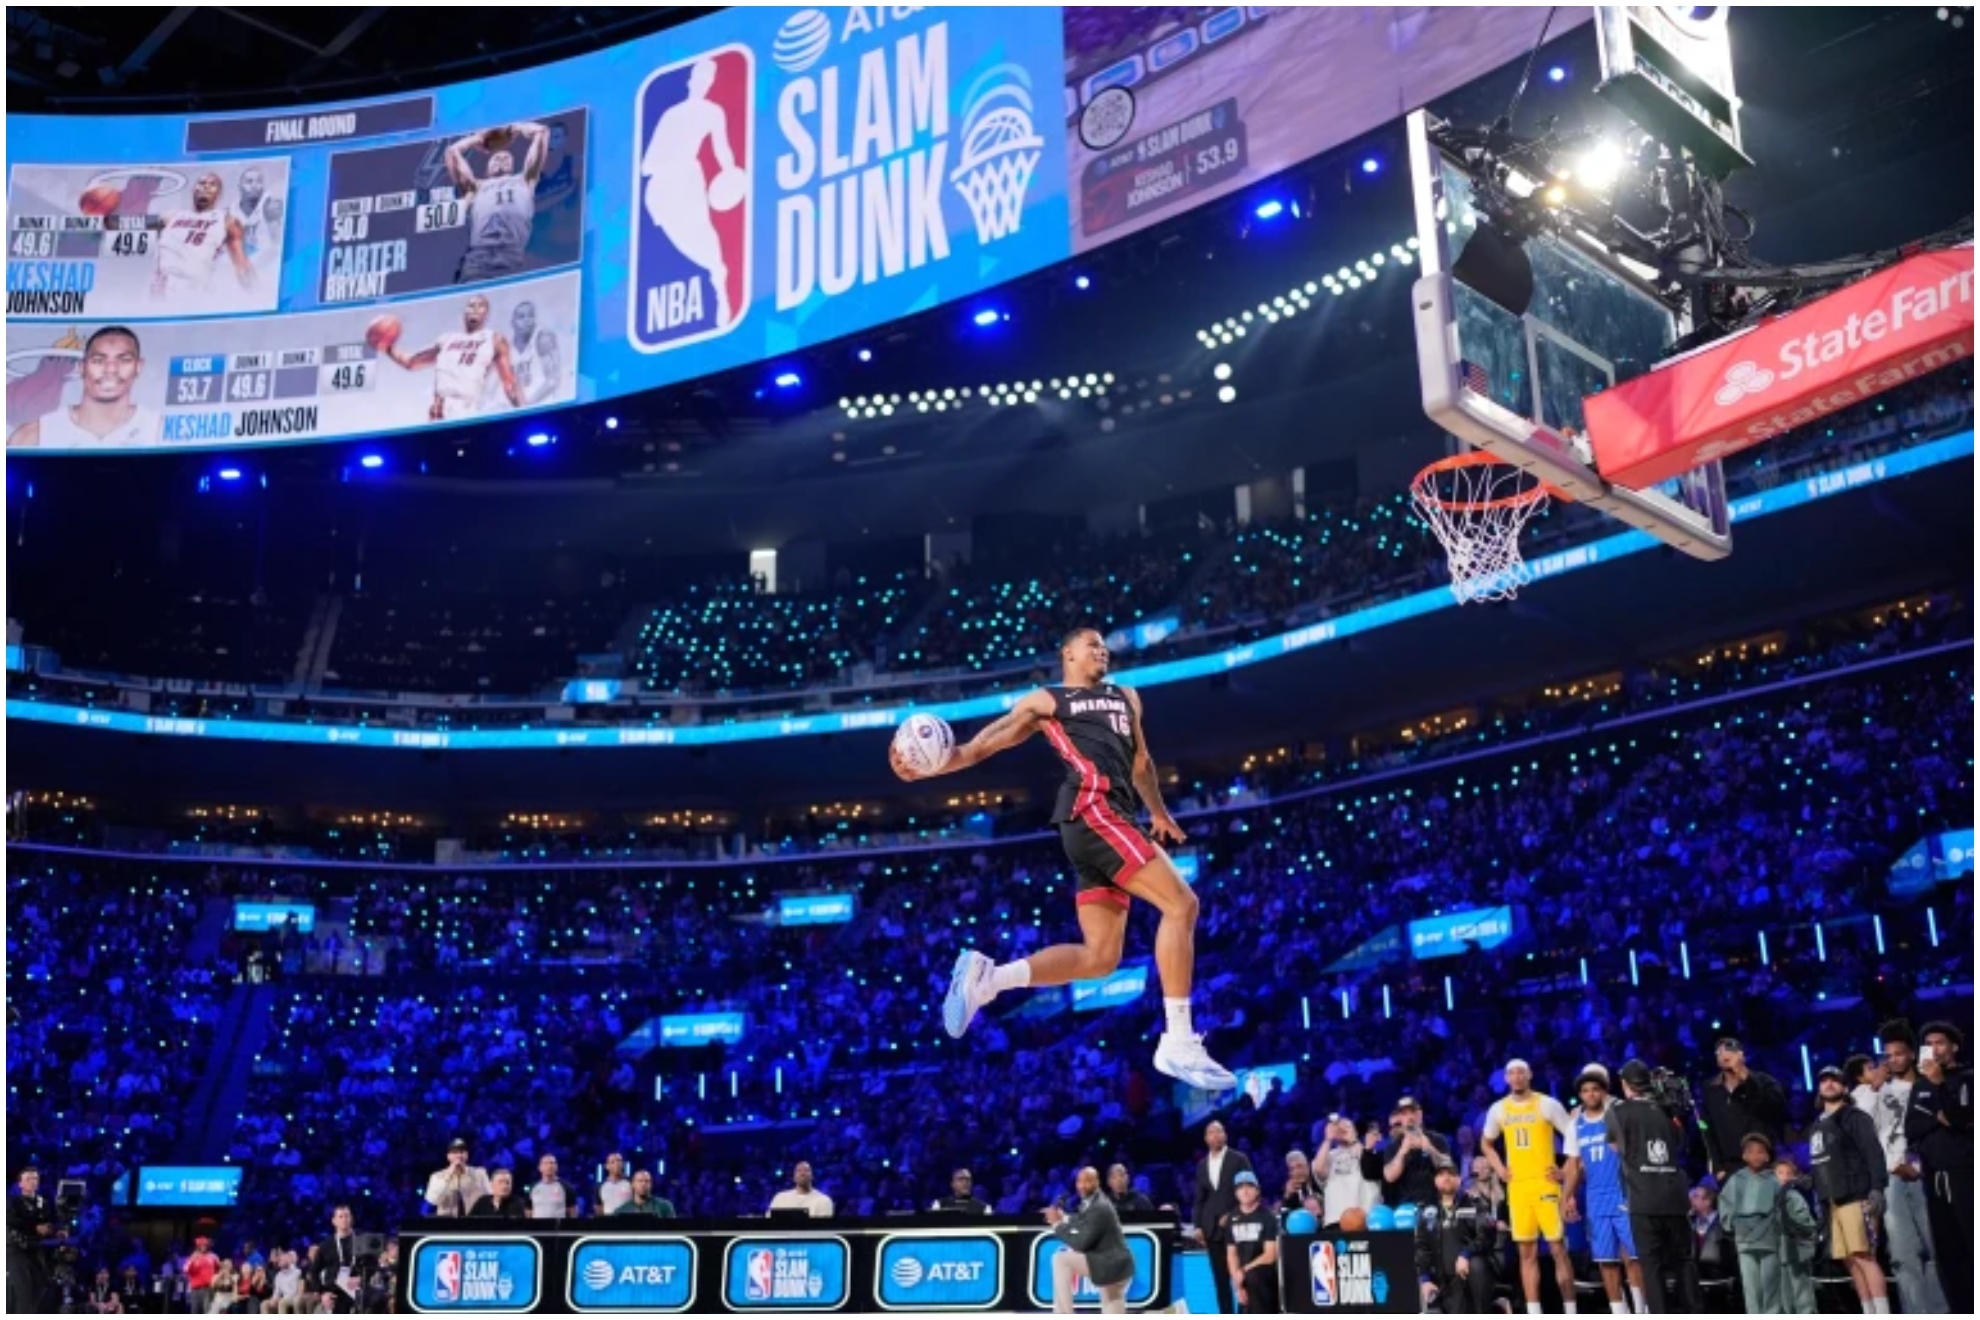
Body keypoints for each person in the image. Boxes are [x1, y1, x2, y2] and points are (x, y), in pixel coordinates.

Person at [911, 627, 1235, 1091]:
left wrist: (1159, 812)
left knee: (1102, 958)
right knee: (1182, 906)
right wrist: (934, 763)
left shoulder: (1127, 697)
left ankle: (989, 980)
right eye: (1091, 644)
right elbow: (982, 745)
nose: (1101, 648)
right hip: (1093, 812)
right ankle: (1178, 1039)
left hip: (1114, 819)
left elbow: (1141, 764)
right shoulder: (1047, 700)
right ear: (1067, 654)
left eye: (1104, 644)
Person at [639, 58, 742, 327]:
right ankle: (713, 272)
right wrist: (666, 162)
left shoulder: (713, 112)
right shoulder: (671, 115)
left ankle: (720, 287)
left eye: (709, 78)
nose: (704, 83)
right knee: (680, 239)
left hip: (689, 179)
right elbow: (647, 164)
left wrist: (730, 172)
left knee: (705, 231)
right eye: (700, 77)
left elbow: (722, 148)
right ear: (690, 81)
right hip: (663, 186)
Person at [1855, 1039, 1946, 1315]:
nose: (1892, 1059)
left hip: (1925, 1175)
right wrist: (1874, 1088)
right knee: (1903, 1256)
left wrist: (1918, 1166)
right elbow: (1860, 1128)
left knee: (1936, 1251)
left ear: (1911, 1055)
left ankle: (1939, 1311)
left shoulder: (1927, 1084)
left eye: (1899, 1054)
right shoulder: (1869, 1090)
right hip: (1890, 1179)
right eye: (1888, 1055)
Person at [1481, 1059, 1579, 1316]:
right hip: (1519, 1188)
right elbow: (1486, 1144)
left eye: (1521, 1072)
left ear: (1529, 1075)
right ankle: (1534, 1312)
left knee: (1558, 1249)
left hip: (1546, 1184)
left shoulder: (1547, 1104)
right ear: (1505, 1078)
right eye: (1511, 1073)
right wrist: (1500, 1169)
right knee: (1527, 1253)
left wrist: (1566, 1169)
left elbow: (1573, 1135)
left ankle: (1571, 1310)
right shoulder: (1498, 1109)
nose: (1516, 1077)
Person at [1607, 1060, 1703, 1313]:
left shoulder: (1618, 1111)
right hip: (1675, 1199)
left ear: (1625, 1084)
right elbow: (1681, 1144)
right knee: (1684, 1263)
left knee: (1652, 1267)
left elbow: (1615, 1147)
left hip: (1644, 1199)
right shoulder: (1668, 1110)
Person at [1810, 1064, 1890, 1315]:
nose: (1829, 1084)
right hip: (1832, 1200)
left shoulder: (1855, 1117)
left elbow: (1874, 1154)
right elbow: (1820, 1163)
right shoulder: (1817, 1125)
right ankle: (1868, 1312)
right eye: (1824, 1080)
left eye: (1835, 1080)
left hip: (1857, 1196)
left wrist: (1877, 1188)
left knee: (1865, 1257)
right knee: (1851, 1262)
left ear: (1845, 1087)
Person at [1904, 1020, 1972, 1314]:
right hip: (1932, 1175)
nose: (1933, 1048)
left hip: (1966, 1172)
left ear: (1953, 1046)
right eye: (1928, 1044)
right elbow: (1912, 1128)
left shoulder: (1968, 1077)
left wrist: (1941, 1088)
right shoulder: (1920, 1085)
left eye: (1939, 1043)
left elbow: (1961, 1119)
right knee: (1946, 1250)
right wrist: (1938, 1117)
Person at [7, 325, 164, 449]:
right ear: (82, 367)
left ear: (139, 366)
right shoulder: (36, 435)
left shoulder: (157, 429)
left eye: (124, 360)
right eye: (98, 360)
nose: (110, 369)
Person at [1571, 1066, 1648, 1315]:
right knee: (1606, 1261)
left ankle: (1642, 1309)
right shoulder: (1577, 1123)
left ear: (1605, 1089)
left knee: (1635, 1258)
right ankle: (1619, 1312)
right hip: (1595, 1200)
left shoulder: (1619, 1111)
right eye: (1585, 1090)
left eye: (1596, 1088)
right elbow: (1574, 1165)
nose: (1591, 1094)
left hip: (1624, 1194)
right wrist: (1566, 1196)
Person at [383, 293, 524, 420]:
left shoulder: (494, 339)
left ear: (486, 314)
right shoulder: (447, 339)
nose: (475, 308)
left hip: (465, 407)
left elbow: (509, 382)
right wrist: (387, 348)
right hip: (439, 408)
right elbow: (411, 362)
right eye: (471, 305)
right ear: (464, 313)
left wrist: (523, 411)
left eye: (480, 306)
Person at [445, 121, 551, 283]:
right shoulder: (475, 187)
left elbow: (541, 132)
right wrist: (478, 138)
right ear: (486, 169)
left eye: (507, 157)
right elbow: (452, 152)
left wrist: (513, 129)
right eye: (496, 158)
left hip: (512, 258)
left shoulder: (525, 180)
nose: (501, 158)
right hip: (479, 260)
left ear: (514, 165)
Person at [149, 170, 255, 300]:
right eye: (202, 183)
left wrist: (257, 295)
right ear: (193, 189)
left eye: (212, 184)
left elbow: (242, 264)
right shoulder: (171, 216)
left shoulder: (227, 221)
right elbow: (128, 223)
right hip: (162, 288)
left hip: (194, 290)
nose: (206, 186)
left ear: (218, 193)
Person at [1045, 1166, 1134, 1314]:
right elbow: (1082, 1219)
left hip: (1111, 1266)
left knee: (1060, 1260)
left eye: (1087, 1181)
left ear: (1097, 1182)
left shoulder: (1099, 1206)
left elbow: (1081, 1244)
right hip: (1116, 1267)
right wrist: (1064, 1217)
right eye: (1079, 1181)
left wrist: (1057, 1225)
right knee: (1113, 1306)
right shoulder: (1092, 1201)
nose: (1082, 1185)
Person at [1702, 1038, 1788, 1185]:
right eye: (1720, 1051)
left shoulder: (1764, 1081)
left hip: (1763, 1163)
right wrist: (1717, 1167)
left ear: (1742, 1055)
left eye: (1730, 1049)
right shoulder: (1711, 1089)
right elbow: (1707, 1129)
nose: (1724, 1053)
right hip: (1729, 1169)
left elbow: (1773, 1109)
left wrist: (1747, 1080)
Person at [1418, 1158, 1497, 1314]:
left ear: (1459, 1179)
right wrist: (1425, 1280)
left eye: (1451, 1174)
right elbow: (1422, 1247)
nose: (1446, 1177)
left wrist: (1466, 1254)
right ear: (1435, 1180)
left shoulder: (1475, 1204)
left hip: (1470, 1277)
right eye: (1441, 1174)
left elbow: (1487, 1235)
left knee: (1477, 1264)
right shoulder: (1427, 1211)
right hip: (1444, 1280)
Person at [1192, 1120, 1255, 1316]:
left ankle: (1245, 1313)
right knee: (1220, 1280)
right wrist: (1198, 1225)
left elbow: (1250, 1190)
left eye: (1219, 1131)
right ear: (1206, 1138)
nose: (1216, 1135)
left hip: (1238, 1228)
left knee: (1243, 1275)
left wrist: (1234, 1214)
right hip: (1212, 1230)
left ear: (1225, 1135)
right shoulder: (1202, 1165)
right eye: (1211, 1132)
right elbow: (1200, 1198)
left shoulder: (1238, 1159)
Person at [1719, 1134, 1787, 1315]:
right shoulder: (1736, 1180)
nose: (1755, 1156)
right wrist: (1732, 1223)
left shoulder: (1774, 1181)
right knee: (1751, 1286)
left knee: (1770, 1284)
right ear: (1744, 1156)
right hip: (1745, 1240)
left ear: (1767, 1156)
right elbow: (1725, 1203)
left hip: (1768, 1239)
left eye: (1760, 1152)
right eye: (1750, 1152)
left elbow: (1782, 1208)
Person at [1223, 1171, 1281, 1314]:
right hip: (1244, 1275)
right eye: (1240, 1187)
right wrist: (1237, 1284)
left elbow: (1270, 1255)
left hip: (1264, 1274)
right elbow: (1232, 1254)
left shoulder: (1267, 1217)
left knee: (1254, 1277)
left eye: (1249, 1186)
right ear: (1236, 1193)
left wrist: (1244, 1271)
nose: (1245, 1191)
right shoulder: (1232, 1218)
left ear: (1257, 1190)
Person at [1383, 1096, 1455, 1208]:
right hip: (1406, 1207)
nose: (1410, 1117)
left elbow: (1449, 1167)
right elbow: (1390, 1176)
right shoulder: (1393, 1146)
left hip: (1436, 1204)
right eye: (1404, 1114)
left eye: (1413, 1112)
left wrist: (1430, 1148)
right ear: (1399, 1118)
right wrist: (1402, 1152)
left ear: (1420, 1115)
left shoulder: (1437, 1139)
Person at [1314, 1114, 1384, 1226]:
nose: (1342, 1129)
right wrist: (1327, 1139)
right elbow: (1318, 1170)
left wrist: (1353, 1141)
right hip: (1335, 1220)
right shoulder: (1329, 1156)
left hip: (1366, 1220)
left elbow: (1371, 1167)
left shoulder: (1370, 1153)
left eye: (1347, 1126)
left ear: (1356, 1133)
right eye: (1339, 1127)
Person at [1772, 1156, 1820, 1315]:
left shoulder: (1795, 1197)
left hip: (1797, 1253)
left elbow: (1806, 1224)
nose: (1784, 1177)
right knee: (1785, 1294)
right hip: (1780, 1254)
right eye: (1780, 1173)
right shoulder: (1771, 1197)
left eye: (1788, 1173)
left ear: (1794, 1177)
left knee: (1802, 1291)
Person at [307, 1206, 362, 1314]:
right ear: (334, 1221)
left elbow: (373, 1266)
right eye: (340, 1216)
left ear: (351, 1219)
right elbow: (314, 1271)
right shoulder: (326, 1245)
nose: (344, 1219)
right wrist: (322, 1293)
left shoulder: (361, 1240)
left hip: (358, 1288)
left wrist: (361, 1278)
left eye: (347, 1216)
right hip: (335, 1291)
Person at [509, 301, 563, 406]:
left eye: (531, 315)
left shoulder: (544, 338)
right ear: (512, 323)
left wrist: (528, 405)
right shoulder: (508, 350)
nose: (527, 320)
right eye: (521, 317)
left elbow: (553, 380)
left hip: (545, 408)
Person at [423, 1138, 492, 1218]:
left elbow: (490, 1199)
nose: (459, 1155)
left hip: (474, 1224)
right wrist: (449, 1175)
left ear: (467, 1155)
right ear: (448, 1156)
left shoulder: (480, 1173)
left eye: (462, 1152)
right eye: (455, 1152)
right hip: (447, 1224)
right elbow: (433, 1200)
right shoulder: (437, 1177)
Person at [768, 1161, 834, 1217]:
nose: (802, 1173)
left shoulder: (824, 1200)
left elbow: (822, 1228)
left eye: (806, 1170)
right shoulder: (780, 1198)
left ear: (812, 1176)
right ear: (794, 1177)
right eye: (799, 1170)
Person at [185, 1234, 221, 1317]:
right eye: (201, 1245)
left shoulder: (213, 1256)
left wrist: (216, 1280)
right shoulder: (193, 1257)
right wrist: (192, 1260)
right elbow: (186, 1270)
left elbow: (220, 1270)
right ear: (197, 1246)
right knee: (195, 1312)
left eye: (205, 1245)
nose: (203, 1246)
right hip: (195, 1290)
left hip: (208, 1289)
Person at [527, 1153, 570, 1220]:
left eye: (552, 1163)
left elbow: (572, 1212)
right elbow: (528, 1211)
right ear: (539, 1168)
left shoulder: (566, 1187)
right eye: (546, 1163)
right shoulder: (533, 1187)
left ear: (556, 1167)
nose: (549, 1166)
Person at [1280, 1149, 1322, 1217]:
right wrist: (1287, 1197)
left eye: (1299, 1166)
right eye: (1292, 1169)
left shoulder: (1319, 1180)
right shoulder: (1291, 1192)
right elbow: (1285, 1218)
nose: (1297, 1172)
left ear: (1308, 1166)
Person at [596, 1152, 634, 1216]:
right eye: (613, 1162)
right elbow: (598, 1207)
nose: (616, 1164)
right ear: (607, 1166)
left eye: (619, 1161)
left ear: (623, 1164)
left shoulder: (632, 1183)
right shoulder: (600, 1186)